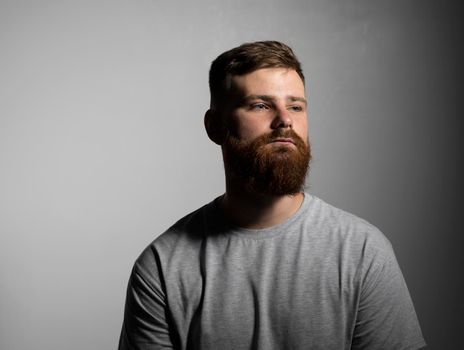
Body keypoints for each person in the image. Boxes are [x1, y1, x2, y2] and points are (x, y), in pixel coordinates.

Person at [118, 40, 426, 350]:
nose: (285, 120)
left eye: (295, 106)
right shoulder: (162, 267)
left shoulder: (362, 252)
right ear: (215, 126)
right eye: (261, 105)